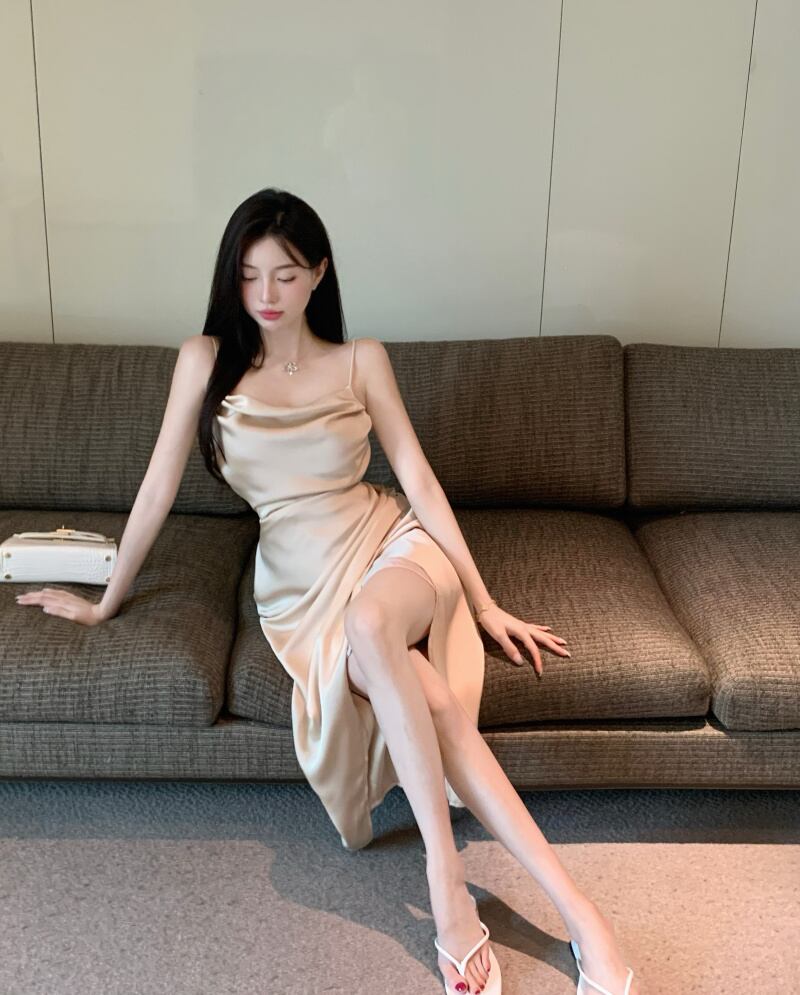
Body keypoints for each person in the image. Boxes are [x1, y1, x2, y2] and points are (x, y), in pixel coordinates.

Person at [15, 188, 638, 995]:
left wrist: (482, 602)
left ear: (319, 273)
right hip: (300, 592)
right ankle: (581, 915)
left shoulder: (361, 360)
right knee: (431, 699)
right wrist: (106, 598)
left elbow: (418, 479)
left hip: (390, 546)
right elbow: (157, 488)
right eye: (248, 276)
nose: (265, 295)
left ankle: (446, 882)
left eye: (284, 275)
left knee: (374, 624)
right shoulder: (204, 360)